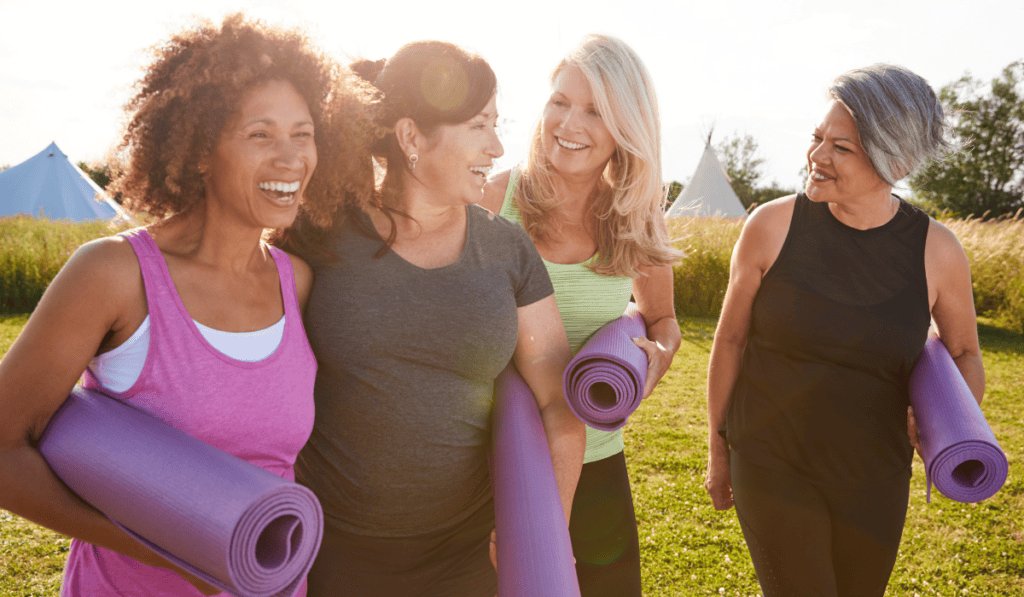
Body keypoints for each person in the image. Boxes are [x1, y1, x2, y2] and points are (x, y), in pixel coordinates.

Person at [0, 14, 374, 596]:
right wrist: (163, 548)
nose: (291, 157)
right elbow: (3, 448)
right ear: (200, 151)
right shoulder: (113, 274)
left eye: (303, 134)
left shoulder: (296, 281)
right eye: (261, 135)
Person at [287, 41, 586, 597]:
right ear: (410, 138)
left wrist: (546, 528)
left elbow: (557, 405)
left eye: (497, 125)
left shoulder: (506, 249)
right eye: (479, 126)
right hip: (331, 548)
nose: (497, 146)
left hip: (467, 555)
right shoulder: (320, 231)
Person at [704, 64, 985, 597]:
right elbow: (731, 340)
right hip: (771, 458)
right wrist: (719, 452)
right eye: (817, 139)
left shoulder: (938, 250)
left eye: (842, 148)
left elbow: (966, 351)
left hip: (875, 476)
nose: (817, 157)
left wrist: (944, 422)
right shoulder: (770, 225)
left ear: (895, 160)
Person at [481, 34, 682, 597]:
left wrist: (656, 360)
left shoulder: (635, 221)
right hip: (492, 466)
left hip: (596, 463)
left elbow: (662, 319)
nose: (568, 123)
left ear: (626, 127)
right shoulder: (494, 202)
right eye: (560, 101)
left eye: (594, 111)